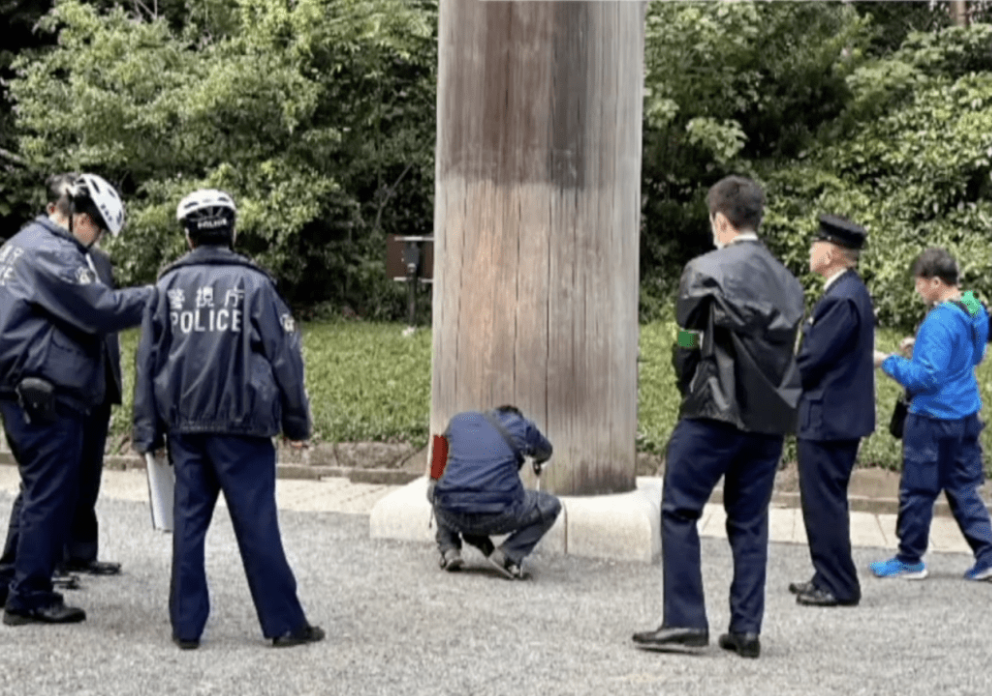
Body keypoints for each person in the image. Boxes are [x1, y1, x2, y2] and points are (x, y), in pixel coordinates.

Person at [132, 188, 323, 649]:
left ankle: (186, 628)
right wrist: (296, 424)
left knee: (188, 524)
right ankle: (283, 624)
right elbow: (285, 358)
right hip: (244, 427)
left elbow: (147, 363)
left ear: (188, 236)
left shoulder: (166, 288)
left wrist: (147, 431)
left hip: (185, 428)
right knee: (257, 524)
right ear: (232, 231)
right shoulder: (256, 286)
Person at [632, 175, 804, 660]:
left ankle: (685, 620)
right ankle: (745, 629)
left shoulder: (703, 271)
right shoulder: (788, 281)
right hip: (768, 418)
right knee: (749, 520)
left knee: (680, 508)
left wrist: (685, 377)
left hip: (713, 408)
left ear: (721, 220)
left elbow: (687, 338)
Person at [0, 173, 152, 625]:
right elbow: (100, 309)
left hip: (22, 386)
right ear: (82, 219)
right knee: (52, 493)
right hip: (44, 390)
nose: (97, 240)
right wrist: (156, 296)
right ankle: (30, 595)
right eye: (98, 230)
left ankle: (10, 577)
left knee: (36, 489)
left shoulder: (19, 244)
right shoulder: (55, 252)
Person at [870, 248, 992, 582]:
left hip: (933, 419)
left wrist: (886, 361)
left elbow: (924, 378)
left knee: (918, 489)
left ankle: (910, 558)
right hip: (966, 412)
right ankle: (988, 554)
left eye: (920, 284)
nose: (918, 290)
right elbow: (977, 350)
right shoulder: (971, 304)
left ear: (936, 282)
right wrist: (921, 344)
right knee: (964, 486)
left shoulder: (938, 321)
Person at [790, 215, 875, 608]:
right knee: (823, 498)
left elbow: (812, 358)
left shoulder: (842, 298)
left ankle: (838, 583)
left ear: (831, 253)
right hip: (831, 415)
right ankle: (827, 572)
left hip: (829, 417)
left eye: (815, 245)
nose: (810, 251)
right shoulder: (845, 292)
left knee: (824, 500)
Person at [429, 406, 557, 579]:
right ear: (514, 416)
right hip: (500, 515)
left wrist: (434, 482)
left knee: (436, 490)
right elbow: (546, 450)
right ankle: (508, 556)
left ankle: (449, 549)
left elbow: (438, 451)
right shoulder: (520, 424)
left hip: (453, 514)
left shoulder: (457, 421)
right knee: (551, 504)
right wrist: (539, 461)